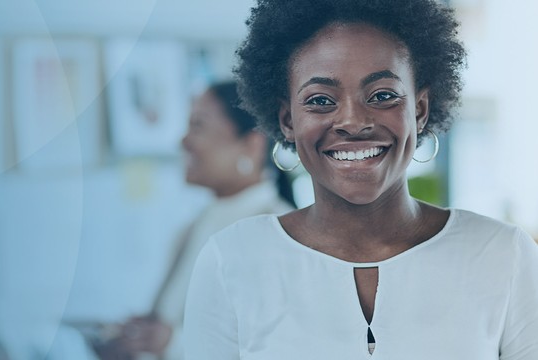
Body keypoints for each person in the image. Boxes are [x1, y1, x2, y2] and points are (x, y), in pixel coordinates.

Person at [183, 0, 538, 359]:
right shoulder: (232, 260)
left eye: (383, 95)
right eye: (320, 100)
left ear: (420, 109)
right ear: (288, 120)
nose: (353, 122)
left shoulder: (503, 255)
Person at [92, 80, 295, 360]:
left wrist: (171, 343)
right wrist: (140, 340)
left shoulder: (279, 233)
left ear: (252, 145)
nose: (183, 141)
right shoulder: (196, 225)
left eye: (198, 126)